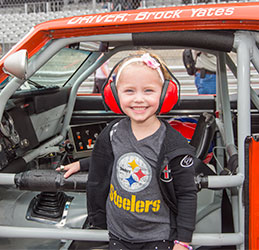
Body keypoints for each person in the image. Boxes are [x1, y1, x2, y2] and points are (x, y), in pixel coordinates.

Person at [57, 51, 199, 250]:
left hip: (159, 238)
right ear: (114, 94)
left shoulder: (174, 145)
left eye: (148, 91)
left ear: (165, 93)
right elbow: (106, 159)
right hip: (118, 234)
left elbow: (187, 194)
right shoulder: (112, 132)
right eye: (129, 91)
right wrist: (81, 164)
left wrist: (183, 241)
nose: (138, 99)